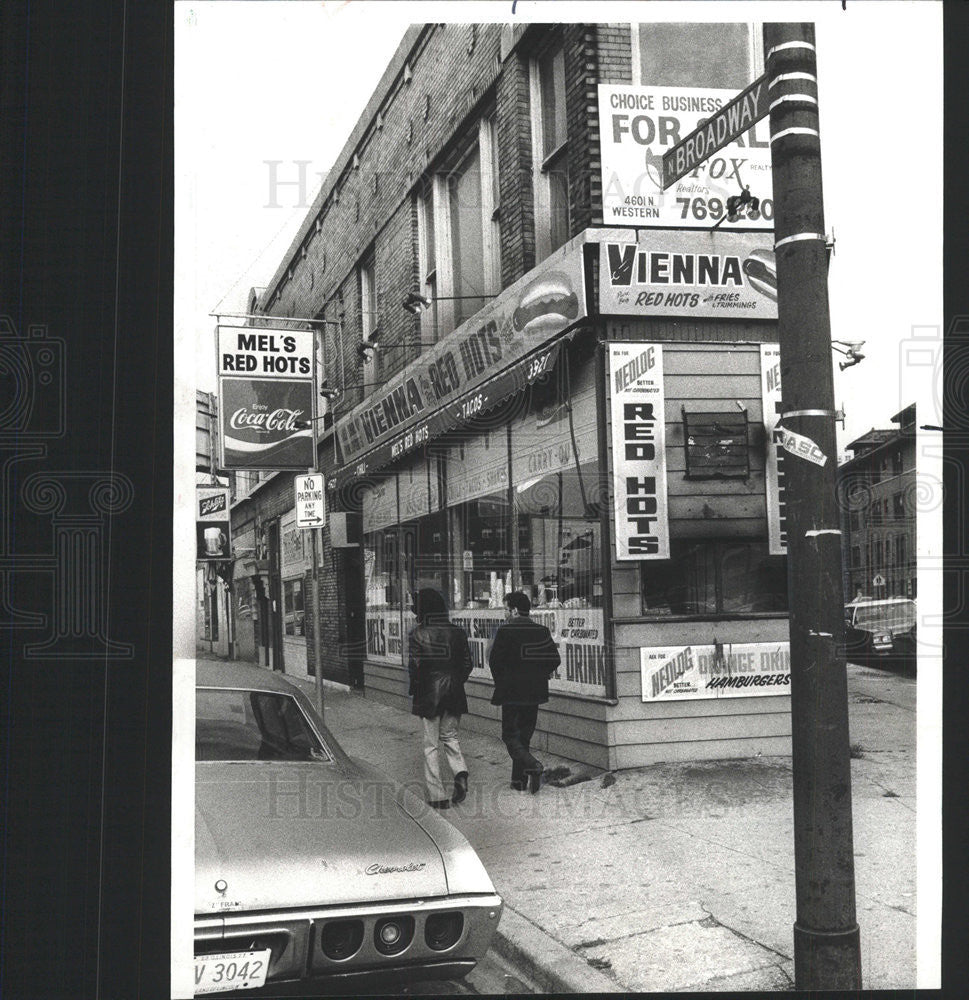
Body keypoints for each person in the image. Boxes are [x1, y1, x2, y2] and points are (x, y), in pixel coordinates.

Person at [488, 591, 561, 793]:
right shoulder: (542, 631)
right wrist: (537, 675)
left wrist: (503, 682)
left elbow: (495, 662)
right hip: (534, 692)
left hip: (511, 692)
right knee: (524, 736)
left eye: (505, 609)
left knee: (510, 736)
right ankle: (518, 782)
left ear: (513, 610)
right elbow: (554, 660)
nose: (504, 613)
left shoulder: (505, 631)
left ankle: (533, 766)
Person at [407, 588, 473, 809]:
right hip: (454, 691)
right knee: (451, 737)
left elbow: (415, 669)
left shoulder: (417, 634)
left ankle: (437, 796)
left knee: (430, 745)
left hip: (429, 694)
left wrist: (417, 689)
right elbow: (467, 665)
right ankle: (460, 772)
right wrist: (455, 681)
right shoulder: (458, 632)